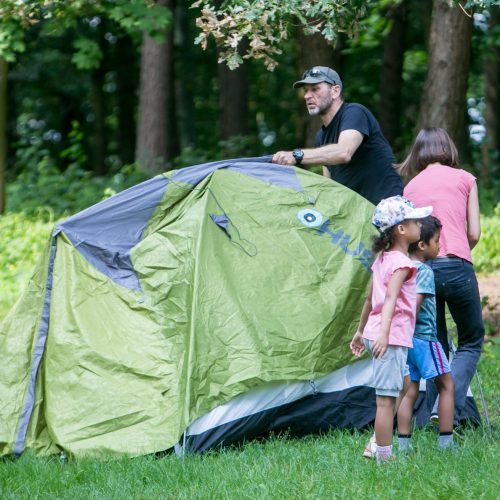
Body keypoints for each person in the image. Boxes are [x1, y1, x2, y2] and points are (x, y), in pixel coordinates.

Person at [400, 127, 484, 429]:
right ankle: (442, 408)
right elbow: (473, 232)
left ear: (418, 152)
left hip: (422, 271)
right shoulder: (465, 179)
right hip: (457, 266)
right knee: (472, 340)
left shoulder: (410, 187)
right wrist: (458, 251)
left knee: (434, 343)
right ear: (449, 149)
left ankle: (432, 419)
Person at [350, 195, 432, 462]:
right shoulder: (402, 264)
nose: (419, 224)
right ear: (401, 229)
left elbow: (368, 299)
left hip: (381, 333)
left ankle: (377, 444)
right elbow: (389, 299)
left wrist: (361, 332)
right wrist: (383, 334)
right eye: (414, 221)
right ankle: (383, 456)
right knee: (386, 401)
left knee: (405, 384)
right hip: (390, 336)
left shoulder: (383, 259)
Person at [272, 66, 403, 205]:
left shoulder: (354, 112)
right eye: (306, 90)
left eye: (315, 89)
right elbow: (329, 186)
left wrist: (296, 155)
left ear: (335, 91)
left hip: (389, 210)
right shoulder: (321, 137)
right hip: (358, 216)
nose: (307, 95)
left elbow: (343, 152)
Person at [396, 216, 455, 452]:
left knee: (410, 389)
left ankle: (403, 445)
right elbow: (415, 305)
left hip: (405, 340)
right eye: (436, 241)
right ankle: (446, 443)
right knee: (447, 385)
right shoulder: (424, 271)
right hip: (424, 338)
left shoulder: (402, 267)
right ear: (422, 245)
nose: (439, 246)